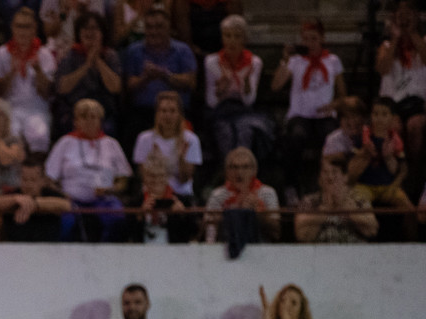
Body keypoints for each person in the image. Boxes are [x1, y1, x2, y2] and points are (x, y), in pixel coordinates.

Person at [271, 18, 345, 200]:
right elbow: (275, 86)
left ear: (322, 39)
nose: (309, 43)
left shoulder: (333, 60)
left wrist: (334, 104)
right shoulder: (296, 61)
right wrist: (284, 60)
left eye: (314, 39)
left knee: (331, 136)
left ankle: (329, 186)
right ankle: (291, 185)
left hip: (324, 115)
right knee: (296, 136)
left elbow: (343, 94)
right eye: (306, 39)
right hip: (300, 115)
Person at [44, 98, 131, 242]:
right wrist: (62, 194)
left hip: (103, 198)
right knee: (66, 223)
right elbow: (49, 179)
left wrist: (110, 189)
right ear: (75, 121)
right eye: (84, 117)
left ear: (100, 121)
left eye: (93, 117)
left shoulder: (111, 144)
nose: (89, 121)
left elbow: (123, 180)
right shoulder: (65, 143)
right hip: (71, 200)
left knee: (116, 217)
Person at [204, 14, 274, 167]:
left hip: (244, 111)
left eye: (237, 36)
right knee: (225, 133)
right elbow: (211, 102)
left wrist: (247, 82)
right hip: (220, 111)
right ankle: (228, 175)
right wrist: (221, 90)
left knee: (245, 131)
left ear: (244, 39)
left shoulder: (254, 62)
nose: (232, 41)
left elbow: (249, 101)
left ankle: (245, 173)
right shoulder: (212, 62)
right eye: (228, 36)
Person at [122, 8, 196, 151]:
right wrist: (145, 78)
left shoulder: (182, 50)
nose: (154, 32)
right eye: (149, 27)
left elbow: (190, 82)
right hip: (143, 111)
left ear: (169, 28)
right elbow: (129, 85)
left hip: (176, 113)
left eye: (159, 27)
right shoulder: (134, 51)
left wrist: (165, 75)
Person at [376, 0, 426, 197]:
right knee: (395, 128)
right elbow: (383, 69)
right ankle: (399, 176)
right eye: (401, 13)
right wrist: (396, 39)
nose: (404, 17)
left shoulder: (423, 40)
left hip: (417, 102)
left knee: (415, 126)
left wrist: (412, 34)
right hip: (393, 103)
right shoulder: (387, 46)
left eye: (409, 13)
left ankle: (415, 175)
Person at [0, 7, 54, 154]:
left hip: (37, 109)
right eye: (19, 26)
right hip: (9, 109)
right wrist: (11, 73)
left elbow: (48, 93)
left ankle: (36, 173)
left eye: (27, 26)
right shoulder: (0, 54)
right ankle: (13, 174)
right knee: (12, 134)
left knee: (39, 134)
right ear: (12, 28)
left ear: (35, 29)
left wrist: (38, 71)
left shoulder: (44, 54)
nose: (22, 31)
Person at [349, 95, 415, 240]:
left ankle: (413, 242)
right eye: (376, 114)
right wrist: (364, 153)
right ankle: (364, 239)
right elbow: (351, 166)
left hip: (388, 185)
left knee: (409, 209)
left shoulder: (395, 140)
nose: (379, 118)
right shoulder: (362, 138)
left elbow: (399, 169)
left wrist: (389, 157)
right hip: (364, 185)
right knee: (359, 208)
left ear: (392, 118)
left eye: (384, 114)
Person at [53, 12, 122, 139]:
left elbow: (115, 87)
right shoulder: (71, 55)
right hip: (74, 111)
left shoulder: (110, 55)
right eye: (85, 28)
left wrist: (98, 61)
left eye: (94, 28)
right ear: (79, 32)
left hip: (103, 112)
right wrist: (86, 66)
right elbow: (62, 87)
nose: (90, 32)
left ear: (102, 32)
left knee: (108, 127)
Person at [203, 146, 280, 246]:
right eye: (234, 167)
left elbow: (276, 233)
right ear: (227, 171)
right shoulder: (217, 195)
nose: (239, 172)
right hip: (225, 247)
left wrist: (258, 214)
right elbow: (210, 235)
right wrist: (233, 212)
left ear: (254, 170)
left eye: (245, 167)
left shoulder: (267, 192)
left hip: (262, 248)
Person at [131, 90, 201, 197]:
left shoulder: (191, 139)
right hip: (152, 194)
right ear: (157, 114)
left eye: (172, 111)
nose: (167, 115)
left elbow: (185, 179)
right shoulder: (144, 138)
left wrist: (181, 159)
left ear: (179, 114)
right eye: (163, 111)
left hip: (180, 194)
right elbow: (144, 176)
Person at [295, 155, 378, 244]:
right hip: (319, 253)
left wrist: (346, 208)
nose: (330, 177)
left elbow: (372, 229)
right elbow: (301, 234)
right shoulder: (309, 201)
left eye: (334, 172)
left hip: (354, 252)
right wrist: (326, 210)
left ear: (345, 177)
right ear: (319, 179)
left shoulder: (359, 200)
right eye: (325, 172)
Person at [0, 154, 71, 242]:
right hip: (14, 249)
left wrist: (34, 203)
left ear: (43, 180)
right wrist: (15, 199)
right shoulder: (12, 195)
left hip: (47, 250)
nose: (28, 185)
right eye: (24, 179)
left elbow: (66, 205)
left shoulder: (52, 195)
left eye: (33, 180)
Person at [128, 155, 197, 244]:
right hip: (143, 253)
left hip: (174, 253)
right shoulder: (135, 203)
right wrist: (140, 216)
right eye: (152, 176)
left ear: (167, 177)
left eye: (161, 175)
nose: (156, 180)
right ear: (144, 178)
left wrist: (182, 215)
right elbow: (127, 234)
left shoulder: (182, 201)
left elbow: (193, 233)